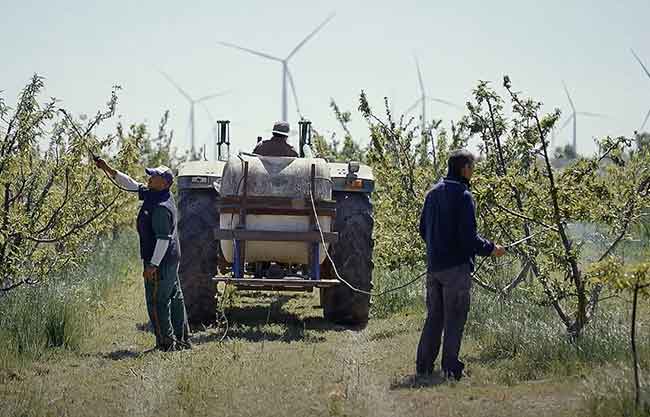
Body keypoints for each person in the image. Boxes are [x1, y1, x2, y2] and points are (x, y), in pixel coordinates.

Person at [416, 149, 506, 380]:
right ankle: (451, 369)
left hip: (434, 268)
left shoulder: (432, 193)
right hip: (456, 270)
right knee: (455, 319)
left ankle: (423, 367)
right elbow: (469, 239)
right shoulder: (464, 196)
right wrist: (491, 249)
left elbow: (422, 229)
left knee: (434, 317)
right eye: (472, 167)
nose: (473, 171)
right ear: (464, 168)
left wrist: (438, 248)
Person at [95, 158, 191, 351]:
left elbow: (163, 239)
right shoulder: (155, 194)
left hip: (161, 261)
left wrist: (152, 265)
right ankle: (182, 340)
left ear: (164, 182)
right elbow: (130, 184)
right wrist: (108, 169)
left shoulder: (161, 206)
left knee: (158, 301)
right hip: (171, 258)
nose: (149, 178)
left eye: (154, 176)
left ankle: (166, 344)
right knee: (174, 296)